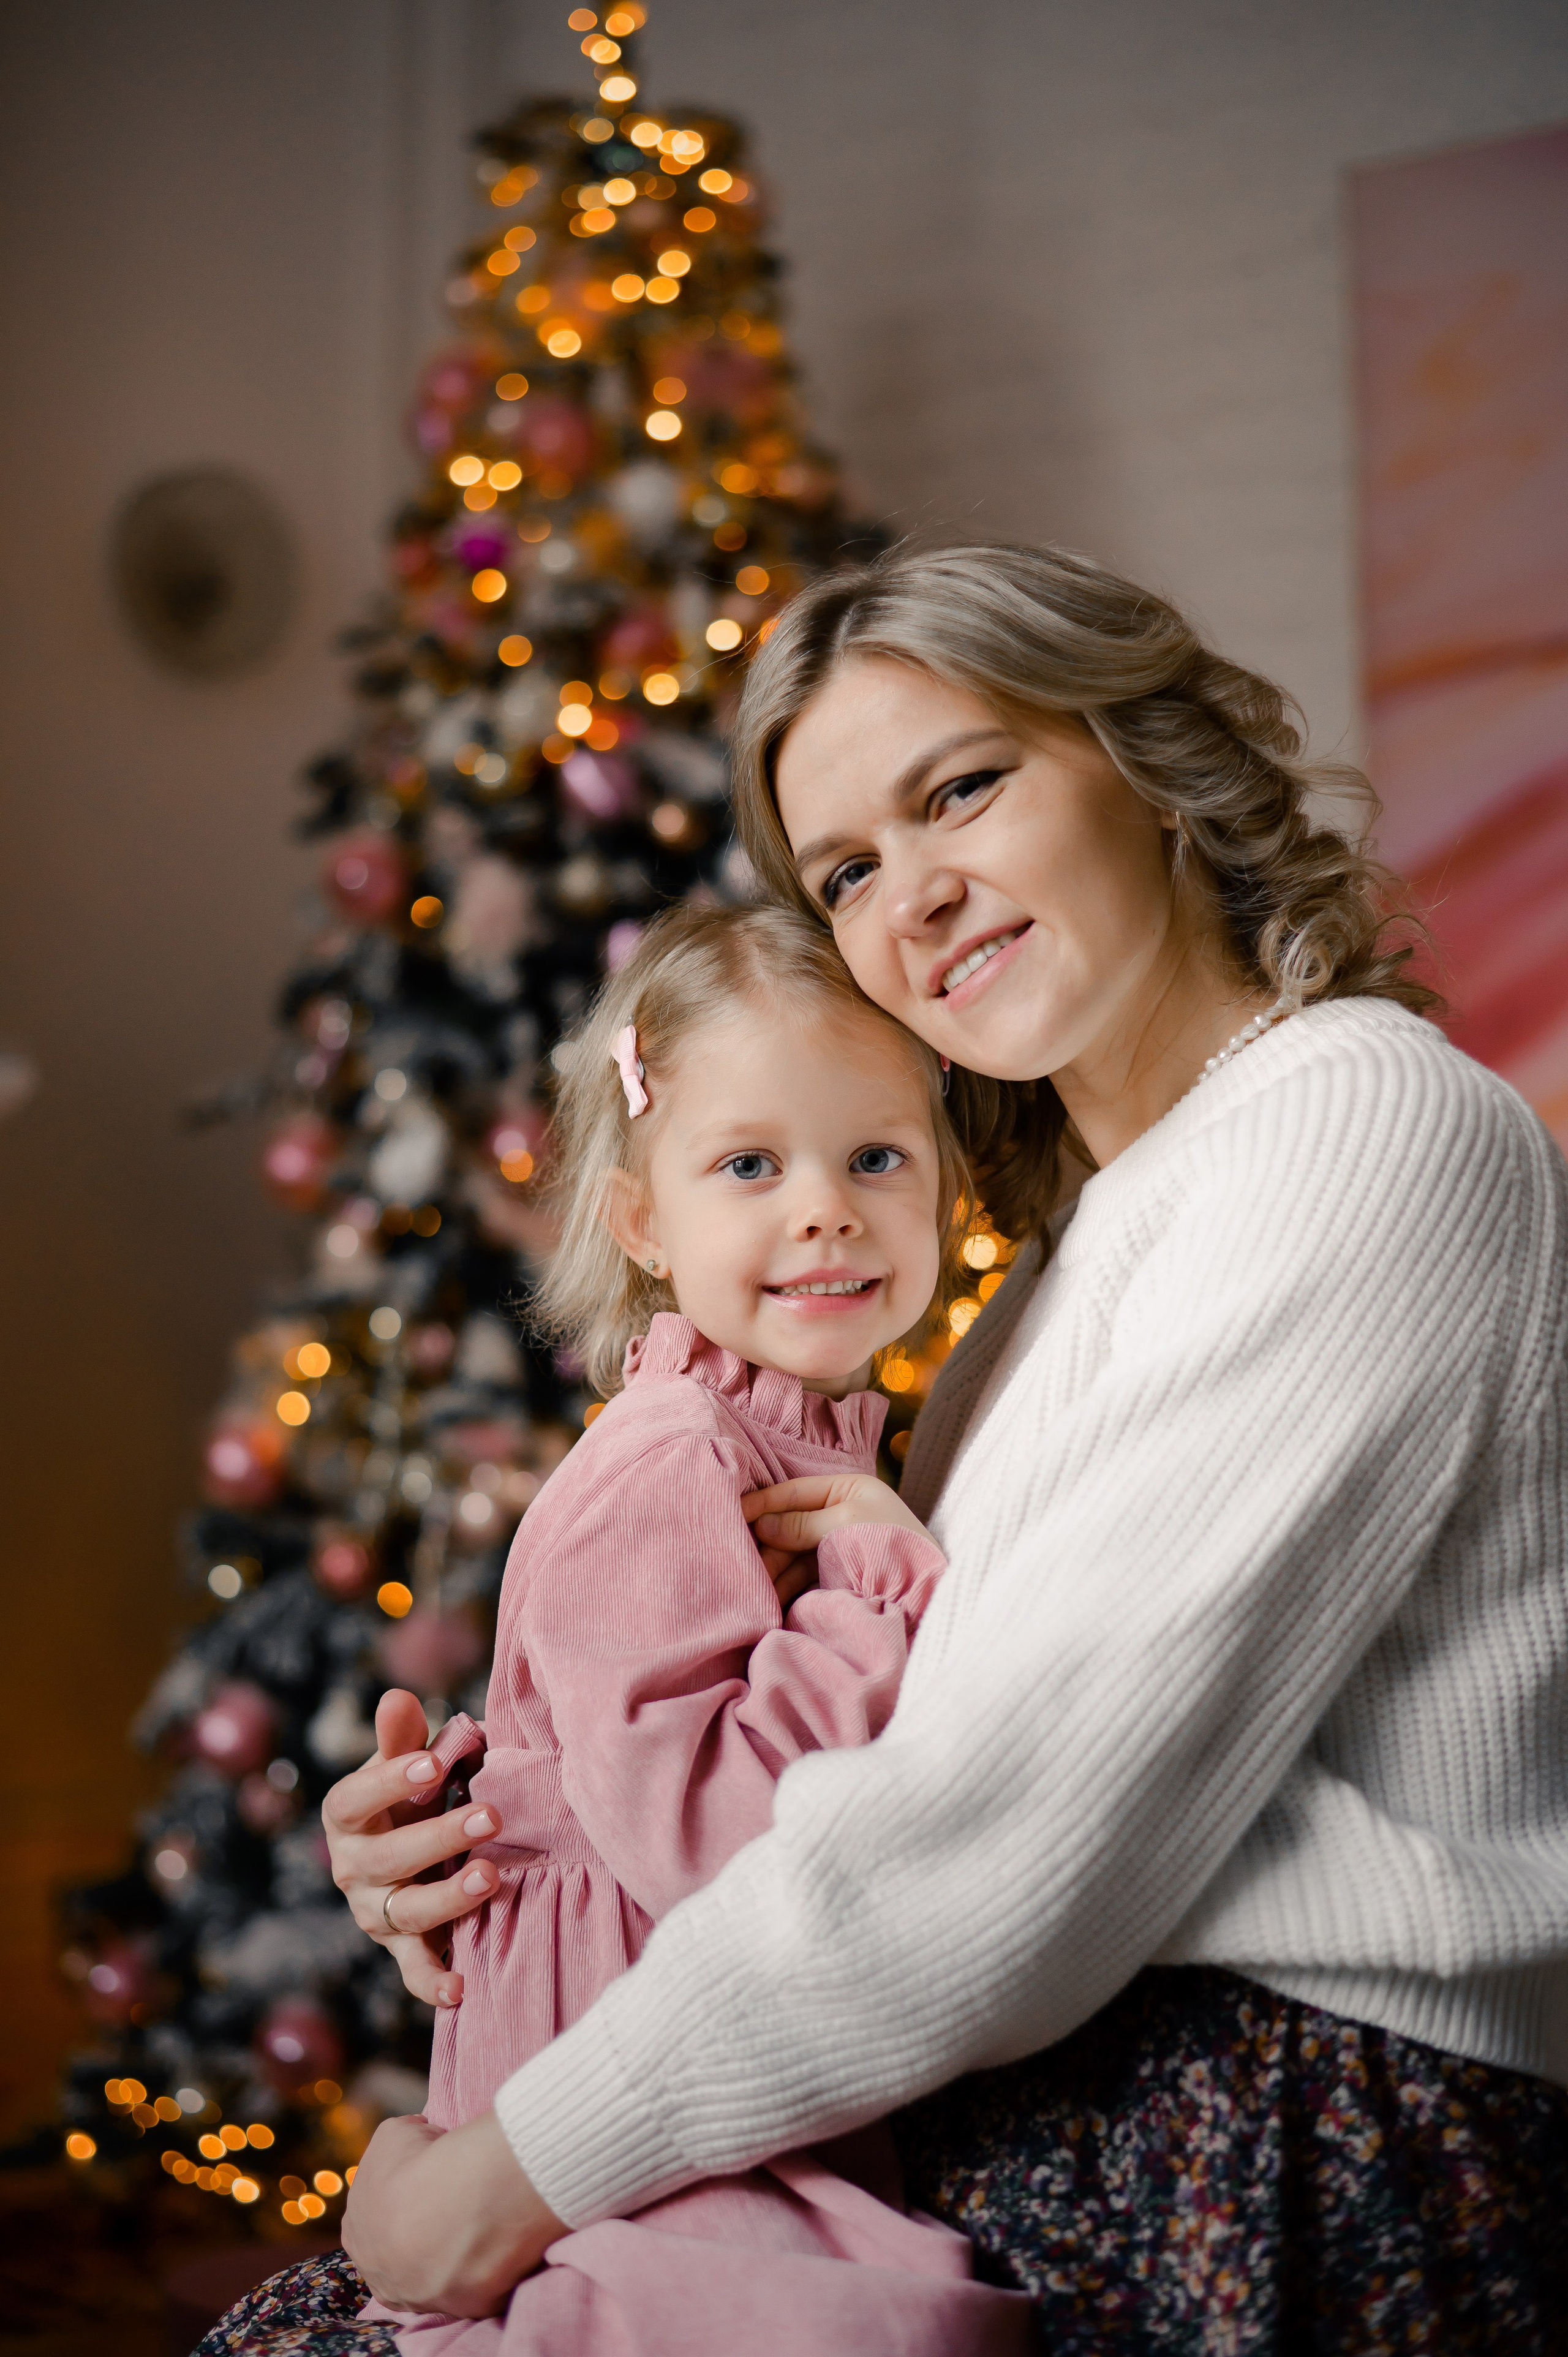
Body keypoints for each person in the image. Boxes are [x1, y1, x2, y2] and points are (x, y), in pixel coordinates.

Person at [221, 545, 1568, 2354]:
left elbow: (996, 1853)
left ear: (1148, 761)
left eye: (964, 789)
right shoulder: (1037, 1293)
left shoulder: (1359, 1128)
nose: (914, 896)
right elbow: (853, 1780)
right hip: (1014, 2088)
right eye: (848, 870)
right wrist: (515, 1846)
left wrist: (509, 2174)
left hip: (1284, 2142)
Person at [205, 902, 1028, 2357]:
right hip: (610, 2050)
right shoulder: (673, 1460)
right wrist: (878, 1592)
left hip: (711, 2036)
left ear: (947, 1187)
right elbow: (711, 1834)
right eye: (749, 1165)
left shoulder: (802, 1446)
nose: (825, 1206)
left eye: (876, 1157)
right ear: (642, 1216)